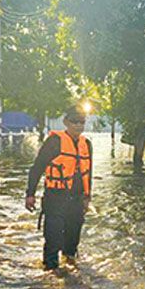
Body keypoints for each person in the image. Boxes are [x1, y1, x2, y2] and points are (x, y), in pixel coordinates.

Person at [25, 104, 92, 271]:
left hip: (76, 199)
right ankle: (50, 274)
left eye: (81, 122)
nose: (78, 125)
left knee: (72, 239)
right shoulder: (54, 142)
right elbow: (37, 168)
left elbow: (88, 173)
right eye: (74, 121)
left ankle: (71, 271)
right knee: (53, 238)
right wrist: (30, 194)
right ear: (66, 122)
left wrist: (87, 197)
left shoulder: (87, 144)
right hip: (56, 197)